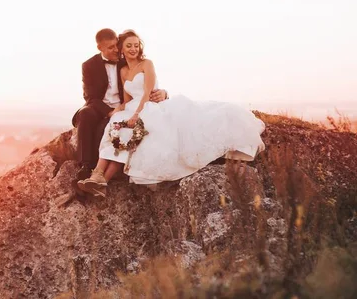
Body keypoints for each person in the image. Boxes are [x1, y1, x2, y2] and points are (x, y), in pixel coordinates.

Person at [77, 30, 265, 197]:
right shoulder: (118, 68)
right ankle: (94, 174)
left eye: (135, 45)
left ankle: (102, 180)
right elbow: (111, 99)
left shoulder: (145, 63)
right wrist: (118, 112)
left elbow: (149, 90)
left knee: (128, 131)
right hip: (121, 107)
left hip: (145, 106)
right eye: (127, 46)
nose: (129, 49)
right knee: (115, 127)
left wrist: (161, 95)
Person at [72, 28, 168, 198]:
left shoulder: (126, 62)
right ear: (100, 48)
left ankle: (101, 177)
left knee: (115, 131)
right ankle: (85, 167)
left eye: (116, 46)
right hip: (102, 106)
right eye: (111, 48)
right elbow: (90, 96)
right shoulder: (89, 65)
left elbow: (148, 88)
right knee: (86, 115)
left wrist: (164, 93)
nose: (116, 50)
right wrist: (110, 112)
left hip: (133, 107)